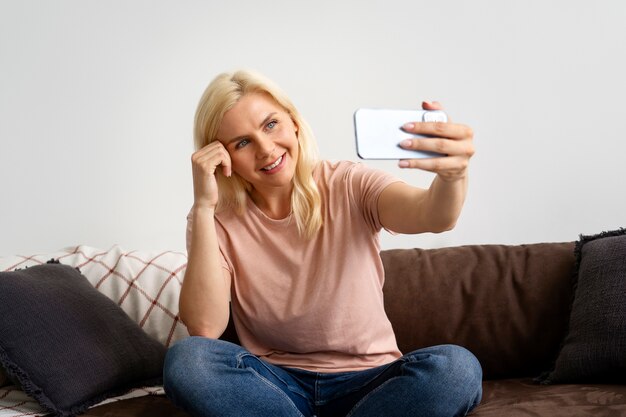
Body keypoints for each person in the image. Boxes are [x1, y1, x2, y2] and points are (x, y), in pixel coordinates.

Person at [163, 69, 482, 417]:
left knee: (456, 368)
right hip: (275, 387)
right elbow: (205, 328)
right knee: (188, 360)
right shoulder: (213, 218)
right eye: (242, 142)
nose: (266, 149)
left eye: (271, 124)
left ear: (294, 123)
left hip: (370, 382)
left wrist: (454, 176)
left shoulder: (349, 183)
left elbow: (434, 216)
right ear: (222, 158)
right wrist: (205, 206)